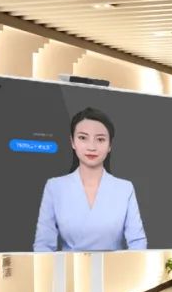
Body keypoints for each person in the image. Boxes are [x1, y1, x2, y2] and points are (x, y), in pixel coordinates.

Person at [33, 107, 147, 252]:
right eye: (83, 138)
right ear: (72, 142)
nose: (91, 147)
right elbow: (43, 246)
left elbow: (138, 243)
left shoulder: (125, 188)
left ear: (110, 145)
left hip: (115, 266)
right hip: (69, 266)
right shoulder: (55, 187)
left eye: (100, 139)